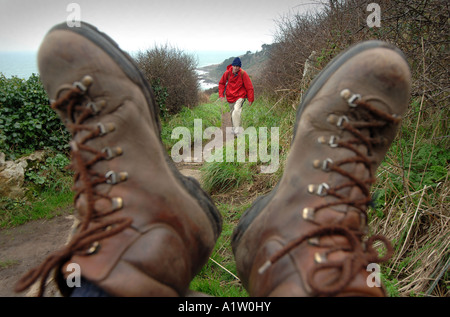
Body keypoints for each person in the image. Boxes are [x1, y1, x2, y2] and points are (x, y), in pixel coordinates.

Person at [14, 21, 411, 297]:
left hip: (240, 102)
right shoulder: (229, 75)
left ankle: (138, 248)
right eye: (235, 68)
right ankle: (305, 255)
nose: (235, 69)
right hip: (231, 101)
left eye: (235, 68)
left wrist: (246, 98)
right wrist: (223, 93)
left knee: (99, 290)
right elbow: (224, 82)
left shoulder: (242, 76)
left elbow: (248, 85)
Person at [218, 57, 254, 135]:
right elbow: (221, 83)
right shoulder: (227, 73)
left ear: (239, 67)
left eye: (237, 66)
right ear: (232, 65)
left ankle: (237, 131)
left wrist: (250, 99)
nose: (236, 68)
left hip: (240, 96)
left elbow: (249, 87)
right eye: (234, 66)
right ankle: (234, 129)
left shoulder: (243, 74)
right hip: (230, 96)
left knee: (236, 111)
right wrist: (221, 95)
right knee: (232, 114)